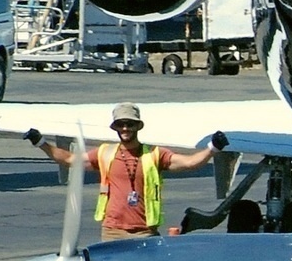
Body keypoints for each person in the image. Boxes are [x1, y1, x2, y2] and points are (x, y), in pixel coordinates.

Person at [27, 103, 225, 241]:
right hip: (112, 232)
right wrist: (41, 143)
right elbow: (71, 160)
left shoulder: (155, 154)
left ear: (138, 126)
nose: (125, 128)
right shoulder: (105, 153)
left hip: (144, 232)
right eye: (121, 124)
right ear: (115, 128)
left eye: (130, 124)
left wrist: (212, 147)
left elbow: (190, 163)